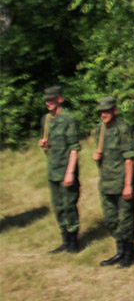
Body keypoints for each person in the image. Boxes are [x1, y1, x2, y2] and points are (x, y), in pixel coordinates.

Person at [93, 97, 134, 267]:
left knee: (126, 219)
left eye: (107, 111)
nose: (103, 114)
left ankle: (128, 253)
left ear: (115, 111)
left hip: (121, 181)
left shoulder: (123, 129)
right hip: (106, 182)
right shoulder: (100, 130)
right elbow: (102, 158)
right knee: (111, 219)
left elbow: (129, 159)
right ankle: (119, 251)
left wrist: (128, 185)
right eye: (101, 112)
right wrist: (96, 158)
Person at [37, 86, 81, 253]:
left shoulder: (69, 119)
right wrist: (44, 144)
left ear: (59, 99)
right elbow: (50, 143)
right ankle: (64, 239)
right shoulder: (46, 119)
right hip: (53, 169)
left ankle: (73, 241)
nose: (48, 103)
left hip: (66, 169)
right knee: (57, 207)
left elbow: (74, 148)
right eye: (46, 100)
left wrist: (70, 172)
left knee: (69, 205)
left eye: (52, 99)